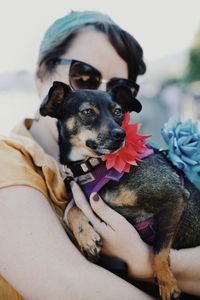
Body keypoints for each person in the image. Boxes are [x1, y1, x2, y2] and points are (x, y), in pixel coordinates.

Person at [0, 10, 199, 300]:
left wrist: (145, 261)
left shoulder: (124, 171)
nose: (101, 97)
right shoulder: (8, 163)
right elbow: (64, 283)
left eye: (118, 92)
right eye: (84, 76)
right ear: (42, 74)